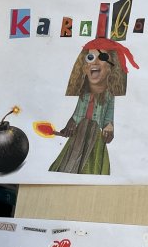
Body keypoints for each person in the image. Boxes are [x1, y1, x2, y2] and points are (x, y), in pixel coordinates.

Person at [49, 39, 138, 175]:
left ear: (111, 67)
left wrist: (109, 127)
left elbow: (109, 115)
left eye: (102, 57)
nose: (95, 62)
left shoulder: (109, 95)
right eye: (90, 57)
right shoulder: (83, 92)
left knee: (93, 168)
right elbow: (77, 112)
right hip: (79, 133)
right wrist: (71, 124)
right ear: (85, 67)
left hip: (96, 135)